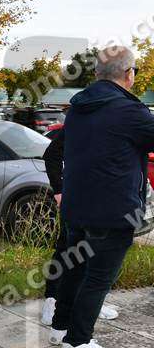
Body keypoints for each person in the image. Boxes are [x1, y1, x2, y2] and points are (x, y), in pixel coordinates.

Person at [51, 46, 154, 348]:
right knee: (97, 278)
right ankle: (77, 343)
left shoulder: (77, 108)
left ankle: (60, 327)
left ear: (97, 74)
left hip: (76, 208)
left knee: (75, 269)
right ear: (129, 74)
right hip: (113, 212)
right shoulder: (130, 111)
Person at [41, 129, 119, 325]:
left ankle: (89, 303)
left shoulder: (115, 124)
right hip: (75, 198)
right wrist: (58, 190)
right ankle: (51, 301)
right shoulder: (80, 121)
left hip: (103, 200)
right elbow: (51, 155)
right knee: (65, 249)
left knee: (94, 252)